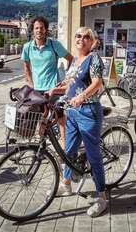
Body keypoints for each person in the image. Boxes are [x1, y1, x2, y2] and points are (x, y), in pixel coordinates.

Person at [46, 27, 107, 217]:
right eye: (78, 36)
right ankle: (66, 185)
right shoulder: (74, 61)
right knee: (69, 151)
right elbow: (70, 84)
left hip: (88, 111)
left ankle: (102, 198)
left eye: (86, 37)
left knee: (93, 156)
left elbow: (96, 83)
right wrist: (53, 91)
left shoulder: (93, 58)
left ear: (91, 41)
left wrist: (82, 95)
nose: (81, 39)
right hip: (71, 111)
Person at [22, 16, 73, 149]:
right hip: (37, 91)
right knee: (41, 119)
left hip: (53, 89)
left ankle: (65, 149)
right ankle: (41, 147)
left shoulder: (53, 45)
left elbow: (72, 60)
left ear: (45, 30)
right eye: (36, 28)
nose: (39, 30)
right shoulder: (27, 47)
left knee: (61, 120)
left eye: (41, 28)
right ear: (33, 30)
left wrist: (66, 79)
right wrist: (32, 85)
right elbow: (26, 68)